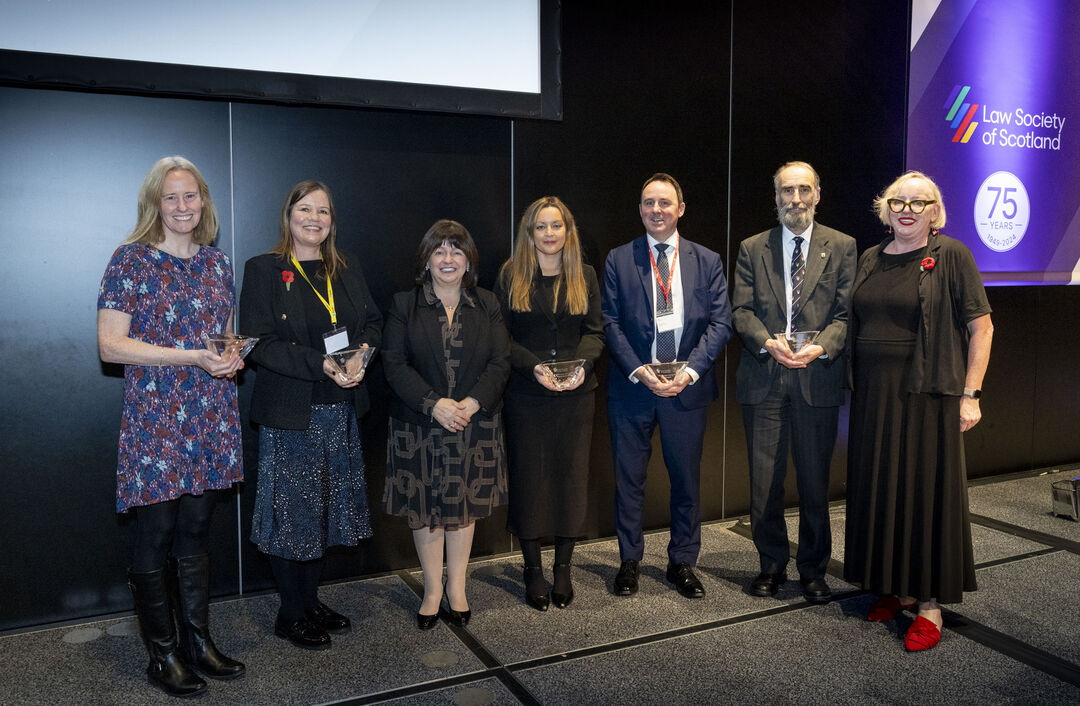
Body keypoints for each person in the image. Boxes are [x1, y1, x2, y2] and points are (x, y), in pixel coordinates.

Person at [97, 156, 245, 697]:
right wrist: (192, 357)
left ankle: (196, 642)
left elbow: (218, 339)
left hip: (210, 413)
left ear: (203, 200)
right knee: (155, 536)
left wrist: (230, 358)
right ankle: (161, 655)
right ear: (155, 204)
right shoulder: (130, 260)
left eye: (191, 196)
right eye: (171, 198)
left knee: (196, 533)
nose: (183, 207)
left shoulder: (218, 265)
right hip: (156, 420)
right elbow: (111, 345)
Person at [844, 171, 993, 651]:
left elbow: (982, 327)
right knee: (884, 489)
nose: (906, 209)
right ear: (885, 208)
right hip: (874, 398)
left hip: (927, 397)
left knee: (924, 495)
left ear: (935, 211)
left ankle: (929, 604)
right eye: (897, 201)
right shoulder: (871, 257)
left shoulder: (951, 256)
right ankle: (897, 587)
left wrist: (970, 395)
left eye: (918, 201)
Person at [239, 180, 382, 650]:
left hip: (340, 411)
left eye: (323, 211)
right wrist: (320, 363)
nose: (314, 218)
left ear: (332, 221)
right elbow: (260, 342)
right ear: (289, 215)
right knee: (292, 517)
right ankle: (291, 612)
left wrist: (362, 355)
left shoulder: (347, 267)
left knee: (324, 511)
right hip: (292, 413)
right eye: (305, 209)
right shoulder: (264, 269)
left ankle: (311, 601)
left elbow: (372, 324)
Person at [602, 173, 732, 599]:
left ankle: (682, 561)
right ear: (640, 210)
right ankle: (629, 560)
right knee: (629, 480)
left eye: (664, 202)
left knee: (686, 481)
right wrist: (640, 370)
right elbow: (610, 323)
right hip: (634, 388)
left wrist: (689, 372)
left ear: (680, 208)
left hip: (686, 387)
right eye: (647, 203)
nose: (655, 210)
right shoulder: (619, 259)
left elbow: (720, 322)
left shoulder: (706, 259)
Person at [731, 162, 857, 603]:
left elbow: (844, 316)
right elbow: (741, 312)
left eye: (804, 189)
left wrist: (820, 347)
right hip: (764, 377)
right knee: (764, 482)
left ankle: (813, 569)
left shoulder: (842, 246)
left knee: (814, 481)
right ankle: (770, 565)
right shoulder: (752, 247)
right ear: (777, 196)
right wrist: (767, 342)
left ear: (818, 193)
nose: (796, 199)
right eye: (787, 191)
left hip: (816, 377)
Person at [382, 219, 510, 629]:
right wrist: (433, 404)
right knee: (425, 511)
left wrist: (471, 404)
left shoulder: (486, 303)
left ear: (468, 260)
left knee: (463, 508)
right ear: (427, 260)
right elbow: (394, 363)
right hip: (419, 426)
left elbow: (500, 361)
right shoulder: (405, 305)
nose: (448, 258)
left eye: (456, 250)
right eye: (440, 250)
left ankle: (457, 587)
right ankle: (432, 590)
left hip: (473, 423)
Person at [495, 197, 604, 611]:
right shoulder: (511, 275)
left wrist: (583, 365)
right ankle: (532, 569)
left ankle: (562, 568)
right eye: (541, 227)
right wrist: (534, 367)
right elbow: (500, 338)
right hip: (527, 395)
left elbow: (595, 332)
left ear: (567, 230)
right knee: (530, 480)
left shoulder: (585, 274)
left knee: (570, 479)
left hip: (577, 394)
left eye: (556, 226)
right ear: (530, 233)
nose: (549, 234)